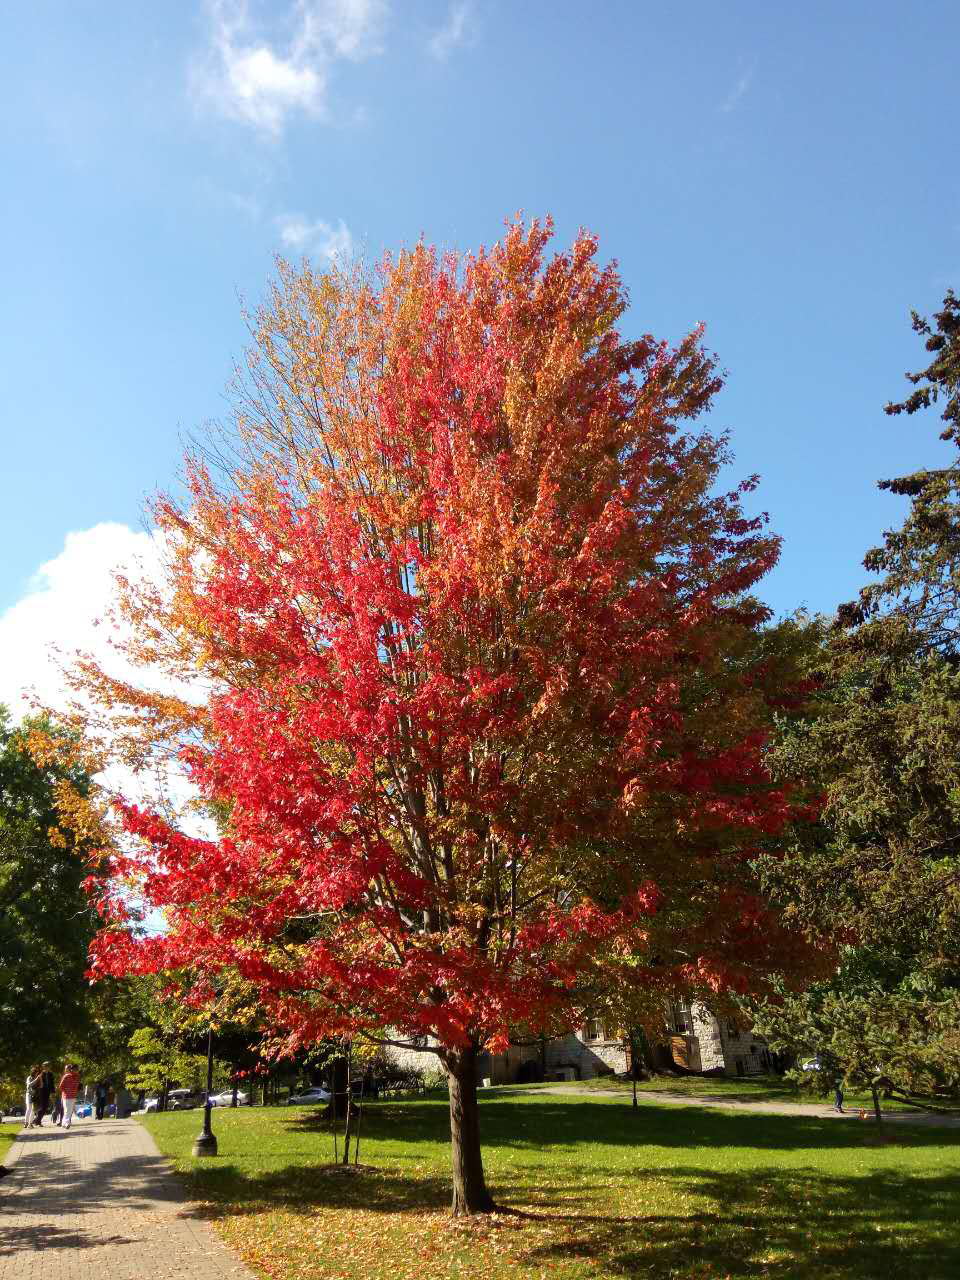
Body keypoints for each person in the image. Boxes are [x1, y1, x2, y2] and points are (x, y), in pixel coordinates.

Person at [58, 1062, 81, 1130]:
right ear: (71, 1069)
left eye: (77, 1069)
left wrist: (75, 1091)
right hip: (66, 1096)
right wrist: (66, 1092)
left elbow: (77, 1085)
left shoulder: (77, 1076)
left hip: (73, 1096)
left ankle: (63, 1123)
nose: (75, 1070)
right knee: (67, 1110)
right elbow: (61, 1086)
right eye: (74, 1069)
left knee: (69, 1111)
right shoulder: (66, 1076)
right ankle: (67, 1123)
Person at [37, 1062, 55, 1126]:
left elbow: (52, 1083)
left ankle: (38, 1120)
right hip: (41, 1091)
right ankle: (38, 1120)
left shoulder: (50, 1074)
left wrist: (53, 1092)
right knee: (42, 1106)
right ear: (43, 1067)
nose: (46, 1067)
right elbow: (37, 1083)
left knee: (46, 1107)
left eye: (47, 1066)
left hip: (48, 1091)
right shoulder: (41, 1074)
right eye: (45, 1066)